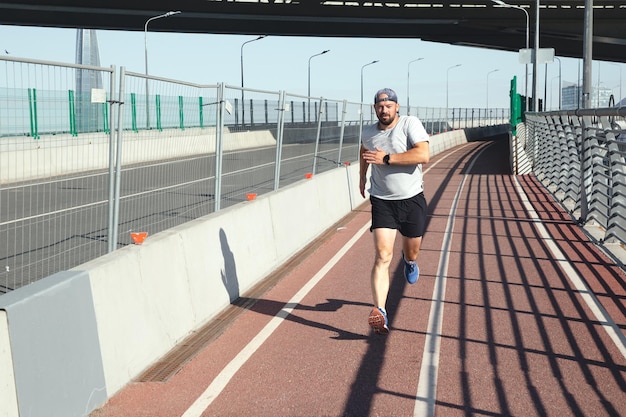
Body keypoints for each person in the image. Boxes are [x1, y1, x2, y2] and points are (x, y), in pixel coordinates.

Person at [359, 87, 430, 335]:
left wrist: (387, 159)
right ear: (374, 108)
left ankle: (410, 262)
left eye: (388, 106)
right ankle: (380, 310)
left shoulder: (410, 124)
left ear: (397, 107)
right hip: (382, 200)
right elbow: (364, 150)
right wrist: (362, 178)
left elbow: (424, 154)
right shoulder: (368, 132)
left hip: (411, 199)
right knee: (383, 255)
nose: (384, 110)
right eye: (379, 106)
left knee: (411, 250)